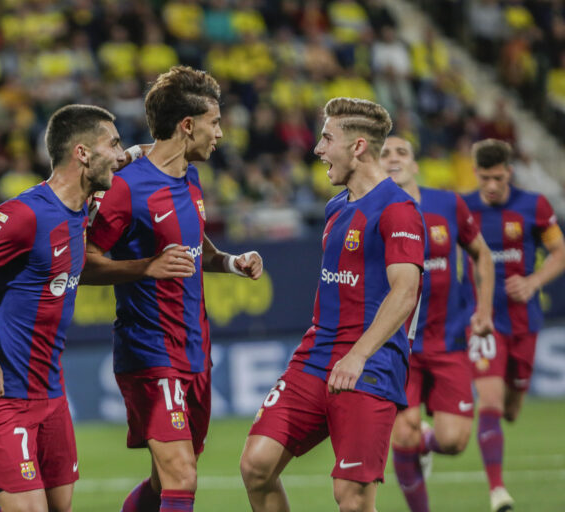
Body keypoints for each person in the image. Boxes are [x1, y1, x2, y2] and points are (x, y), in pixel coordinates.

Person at [84, 66, 263, 512]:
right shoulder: (125, 187)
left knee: (165, 483)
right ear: (187, 125)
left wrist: (231, 264)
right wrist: (147, 267)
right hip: (149, 349)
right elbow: (85, 264)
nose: (220, 133)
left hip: (195, 351)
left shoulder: (191, 178)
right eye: (214, 122)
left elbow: (192, 252)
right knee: (182, 475)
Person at [0, 104, 126, 512]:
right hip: (1, 394)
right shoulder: (22, 214)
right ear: (81, 153)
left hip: (51, 393)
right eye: (113, 144)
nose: (120, 154)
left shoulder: (80, 210)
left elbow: (132, 158)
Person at [239, 98, 425, 512]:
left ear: (357, 147)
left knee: (352, 498)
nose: (318, 149)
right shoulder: (335, 207)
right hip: (316, 355)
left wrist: (358, 356)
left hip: (370, 364)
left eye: (326, 138)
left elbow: (405, 292)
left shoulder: (398, 210)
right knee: (256, 465)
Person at [381, 136, 495, 511]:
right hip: (399, 348)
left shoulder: (448, 204)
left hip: (449, 341)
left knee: (454, 441)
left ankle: (427, 444)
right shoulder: (371, 211)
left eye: (402, 153)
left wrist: (485, 310)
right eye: (385, 154)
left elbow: (482, 255)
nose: (393, 158)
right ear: (378, 167)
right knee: (402, 433)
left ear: (415, 165)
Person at [463, 139, 565, 512]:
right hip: (483, 322)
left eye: (498, 177)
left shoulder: (534, 206)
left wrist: (534, 282)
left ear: (509, 172)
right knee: (488, 402)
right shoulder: (464, 209)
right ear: (475, 173)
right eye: (484, 177)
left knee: (511, 410)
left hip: (525, 320)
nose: (491, 185)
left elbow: (560, 252)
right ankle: (498, 492)